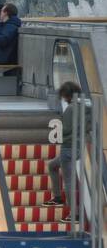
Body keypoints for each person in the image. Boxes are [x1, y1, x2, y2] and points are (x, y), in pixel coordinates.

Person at [46, 81, 83, 222]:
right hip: (78, 147)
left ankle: (75, 214)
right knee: (52, 165)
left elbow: (66, 130)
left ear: (66, 95)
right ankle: (57, 197)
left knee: (68, 182)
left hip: (68, 148)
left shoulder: (70, 109)